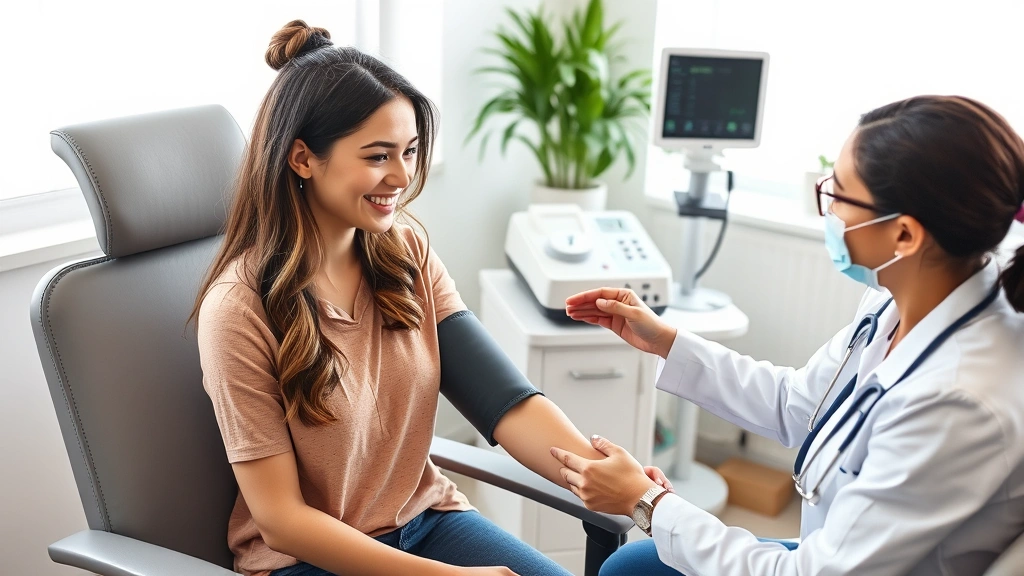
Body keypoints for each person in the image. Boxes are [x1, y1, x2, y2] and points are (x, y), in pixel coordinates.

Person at [190, 20, 670, 576]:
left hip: (426, 519)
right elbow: (282, 521)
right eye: (377, 156)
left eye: (410, 151)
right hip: (308, 558)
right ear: (302, 158)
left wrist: (617, 481)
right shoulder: (239, 309)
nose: (402, 175)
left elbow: (505, 402)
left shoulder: (404, 251)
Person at [551, 95, 1024, 575]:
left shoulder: (960, 402)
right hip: (839, 548)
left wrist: (646, 502)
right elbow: (801, 404)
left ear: (904, 235)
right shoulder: (900, 296)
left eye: (839, 194)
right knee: (634, 566)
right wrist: (667, 342)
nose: (830, 209)